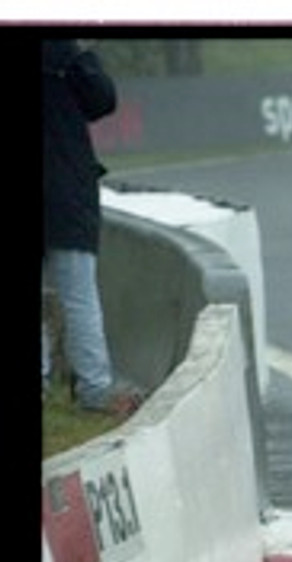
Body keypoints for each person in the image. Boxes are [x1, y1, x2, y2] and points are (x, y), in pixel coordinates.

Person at [42, 38, 141, 416]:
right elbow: (102, 101)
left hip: (65, 186)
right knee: (79, 294)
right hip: (67, 189)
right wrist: (82, 52)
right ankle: (95, 389)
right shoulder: (66, 50)